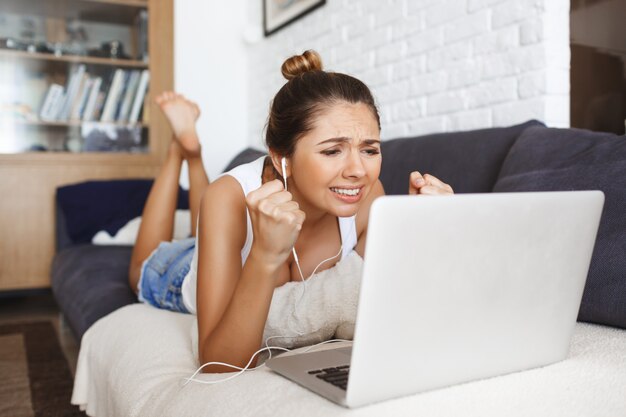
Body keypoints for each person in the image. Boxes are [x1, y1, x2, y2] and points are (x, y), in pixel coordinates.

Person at [129, 50, 454, 374]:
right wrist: (264, 255)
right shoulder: (227, 197)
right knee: (142, 268)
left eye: (369, 149)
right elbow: (218, 364)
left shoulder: (370, 201)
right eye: (332, 150)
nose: (358, 170)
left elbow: (385, 302)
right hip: (181, 270)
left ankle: (194, 157)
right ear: (282, 158)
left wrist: (420, 233)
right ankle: (181, 152)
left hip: (222, 237)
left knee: (203, 224)